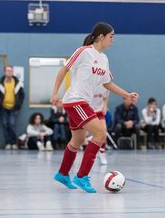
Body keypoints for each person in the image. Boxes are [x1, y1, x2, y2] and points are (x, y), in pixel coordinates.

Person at [51, 22, 138, 193]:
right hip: (76, 100)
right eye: (111, 36)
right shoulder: (83, 51)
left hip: (83, 103)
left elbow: (107, 83)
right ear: (101, 36)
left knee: (77, 141)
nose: (113, 40)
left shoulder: (104, 59)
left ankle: (62, 174)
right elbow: (63, 71)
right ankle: (82, 176)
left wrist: (126, 95)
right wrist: (55, 94)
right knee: (100, 133)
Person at [0, 65, 25, 150]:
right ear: (5, 72)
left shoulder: (18, 83)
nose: (9, 72)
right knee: (5, 125)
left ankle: (13, 143)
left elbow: (22, 95)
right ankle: (7, 143)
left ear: (12, 72)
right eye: (7, 71)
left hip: (13, 108)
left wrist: (18, 105)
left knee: (12, 124)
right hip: (3, 107)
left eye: (11, 71)